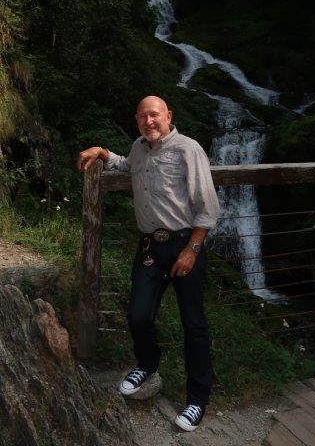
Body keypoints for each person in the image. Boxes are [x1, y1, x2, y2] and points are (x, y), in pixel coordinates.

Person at [77, 96, 220, 432]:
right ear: (137, 120)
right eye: (142, 116)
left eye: (154, 114)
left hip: (185, 244)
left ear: (168, 115)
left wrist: (192, 250)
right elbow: (128, 165)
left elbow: (207, 206)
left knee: (193, 325)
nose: (149, 121)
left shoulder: (189, 150)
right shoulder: (139, 148)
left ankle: (197, 399)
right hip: (150, 248)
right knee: (138, 315)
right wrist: (102, 153)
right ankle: (147, 365)